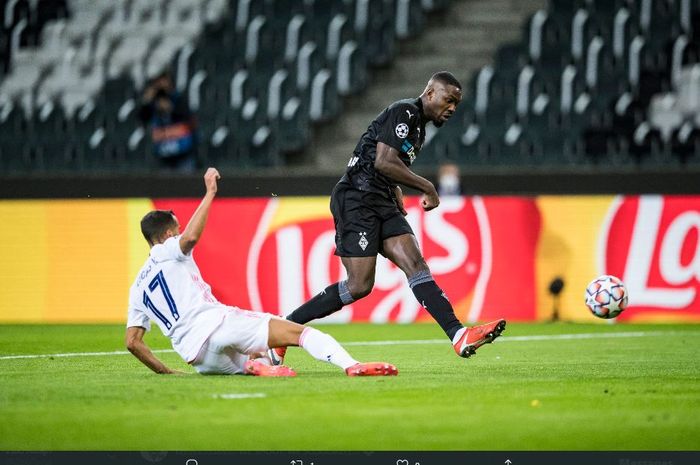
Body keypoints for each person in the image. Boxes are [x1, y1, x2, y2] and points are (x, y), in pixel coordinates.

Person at [269, 72, 505, 366]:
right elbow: (383, 160)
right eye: (449, 100)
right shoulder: (405, 111)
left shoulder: (419, 129)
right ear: (430, 93)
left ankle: (458, 335)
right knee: (359, 286)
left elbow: (384, 162)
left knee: (415, 264)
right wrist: (427, 186)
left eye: (457, 103)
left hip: (380, 199)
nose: (453, 108)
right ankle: (283, 328)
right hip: (356, 197)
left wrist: (394, 189)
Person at [126, 167, 397, 377]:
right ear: (167, 234)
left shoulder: (137, 287)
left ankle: (257, 365)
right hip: (216, 324)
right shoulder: (166, 249)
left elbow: (133, 342)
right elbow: (191, 238)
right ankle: (351, 365)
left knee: (260, 358)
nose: (181, 231)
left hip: (198, 358)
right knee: (300, 334)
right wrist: (209, 193)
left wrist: (165, 371)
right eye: (178, 228)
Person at [138, 70, 198, 173]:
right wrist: (146, 101)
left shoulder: (178, 98)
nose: (160, 84)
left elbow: (187, 117)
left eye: (163, 80)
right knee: (165, 186)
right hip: (163, 155)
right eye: (157, 81)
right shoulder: (153, 102)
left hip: (183, 153)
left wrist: (170, 108)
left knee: (186, 184)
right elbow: (142, 117)